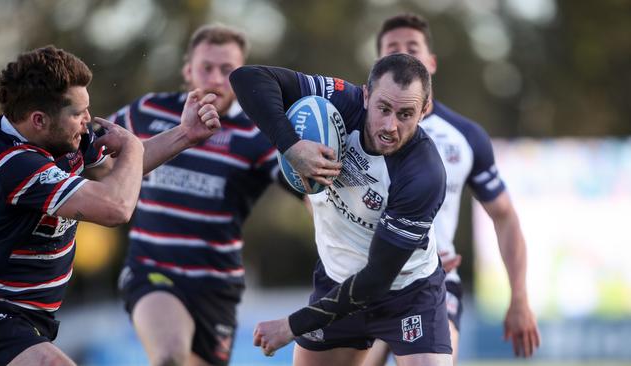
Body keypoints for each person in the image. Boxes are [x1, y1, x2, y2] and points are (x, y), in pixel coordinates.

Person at [0, 46, 219, 366]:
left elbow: (116, 173)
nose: (87, 121)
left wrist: (185, 134)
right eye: (78, 113)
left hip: (28, 318)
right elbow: (116, 207)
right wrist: (132, 146)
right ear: (39, 120)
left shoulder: (59, 137)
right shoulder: (14, 165)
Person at [231, 54, 452, 366]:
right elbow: (248, 78)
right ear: (365, 95)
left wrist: (291, 326)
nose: (390, 125)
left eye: (405, 114)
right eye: (383, 108)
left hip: (408, 293)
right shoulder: (340, 101)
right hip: (336, 280)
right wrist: (291, 146)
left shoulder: (423, 175)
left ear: (424, 111)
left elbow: (376, 279)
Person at [363, 14, 541, 366]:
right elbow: (317, 199)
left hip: (434, 284)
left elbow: (504, 216)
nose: (405, 55)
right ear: (378, 64)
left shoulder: (466, 136)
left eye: (413, 48)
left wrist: (519, 297)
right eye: (393, 49)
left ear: (431, 62)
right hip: (361, 282)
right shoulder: (349, 125)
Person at [111, 24, 291, 366]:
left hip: (216, 286)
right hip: (152, 269)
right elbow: (92, 154)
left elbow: (306, 191)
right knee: (169, 357)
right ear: (187, 70)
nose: (216, 79)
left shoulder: (258, 135)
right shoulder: (147, 112)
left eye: (228, 71)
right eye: (206, 67)